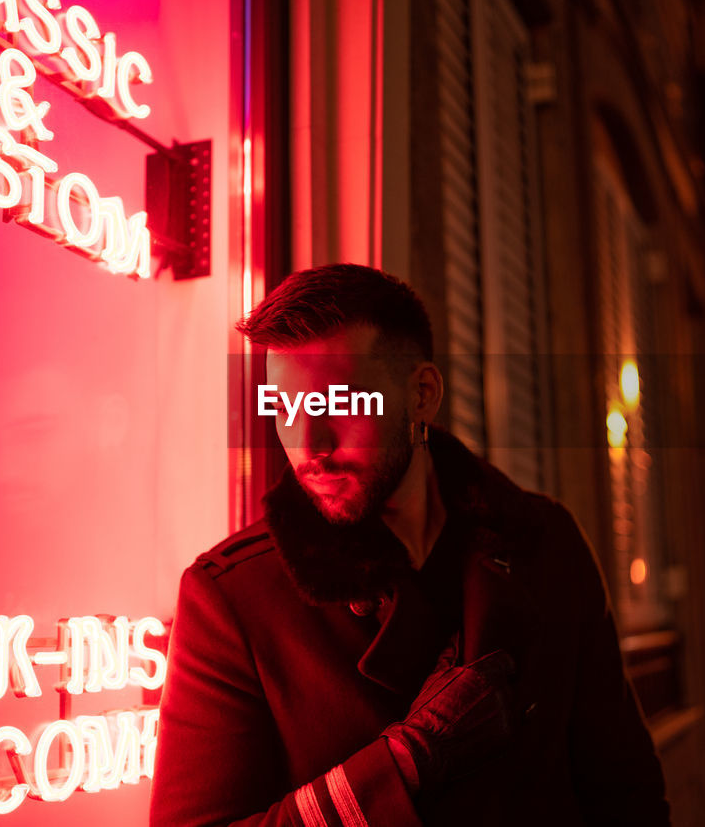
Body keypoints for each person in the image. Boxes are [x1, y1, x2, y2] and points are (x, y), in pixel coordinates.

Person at [151, 264, 670, 826]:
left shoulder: (544, 546)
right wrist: (404, 762)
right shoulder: (233, 600)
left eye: (338, 402)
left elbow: (627, 795)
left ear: (421, 394)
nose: (310, 444)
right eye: (286, 408)